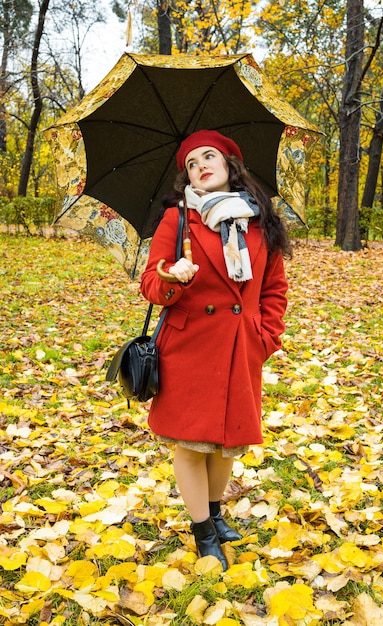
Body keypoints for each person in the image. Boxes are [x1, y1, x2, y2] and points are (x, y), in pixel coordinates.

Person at [140, 129, 291, 571]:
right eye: (191, 163)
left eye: (209, 157)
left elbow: (274, 289)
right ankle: (204, 533)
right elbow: (149, 283)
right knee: (190, 445)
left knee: (228, 440)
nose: (201, 166)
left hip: (241, 347)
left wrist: (265, 338)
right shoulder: (178, 220)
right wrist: (171, 276)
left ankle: (216, 513)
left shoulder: (261, 219)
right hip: (188, 348)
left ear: (230, 165)